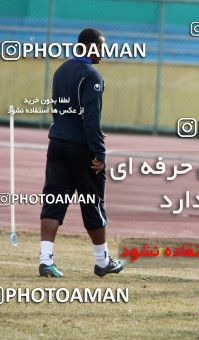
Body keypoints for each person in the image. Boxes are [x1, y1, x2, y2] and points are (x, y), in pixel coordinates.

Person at [39, 28, 125, 278]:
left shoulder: (60, 71)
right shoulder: (92, 76)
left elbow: (64, 113)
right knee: (93, 202)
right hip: (81, 150)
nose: (104, 51)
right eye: (101, 46)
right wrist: (100, 153)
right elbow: (90, 117)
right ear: (89, 46)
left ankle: (45, 260)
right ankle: (102, 261)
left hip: (57, 144)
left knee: (53, 201)